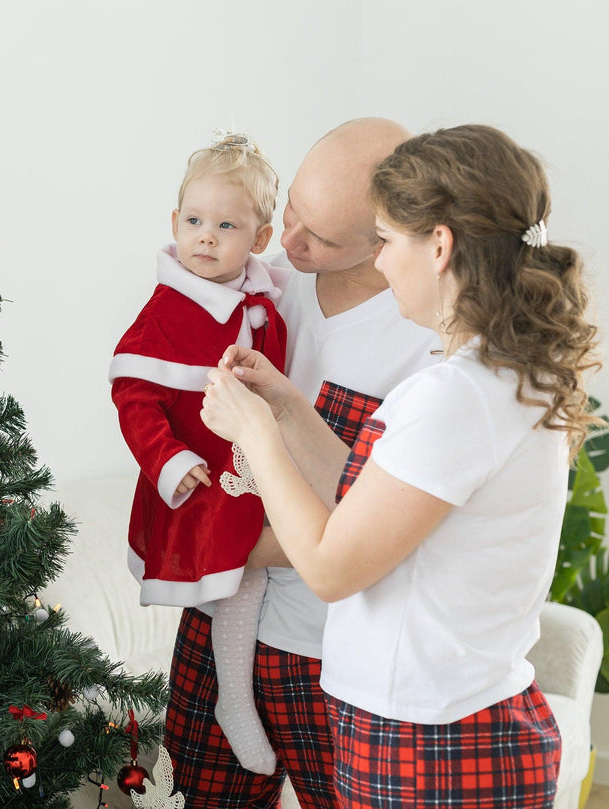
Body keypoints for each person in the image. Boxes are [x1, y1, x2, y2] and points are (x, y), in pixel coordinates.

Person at [201, 123, 597, 808]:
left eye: (385, 241)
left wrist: (256, 434)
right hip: (457, 724)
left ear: (438, 246)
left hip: (429, 741)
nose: (380, 266)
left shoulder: (454, 397)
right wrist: (288, 406)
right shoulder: (506, 376)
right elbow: (370, 498)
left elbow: (330, 568)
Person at [161, 118, 440, 809]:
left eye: (321, 237)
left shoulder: (425, 344)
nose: (288, 242)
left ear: (385, 238)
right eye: (290, 213)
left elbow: (382, 525)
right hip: (216, 620)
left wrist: (224, 543)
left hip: (325, 652)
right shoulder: (262, 288)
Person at [109, 132, 286, 774]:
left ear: (260, 238)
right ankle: (233, 700)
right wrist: (169, 461)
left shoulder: (264, 296)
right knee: (242, 576)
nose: (206, 238)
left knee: (255, 575)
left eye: (226, 226)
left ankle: (238, 693)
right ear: (174, 223)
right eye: (194, 222)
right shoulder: (168, 309)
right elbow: (134, 393)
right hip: (203, 479)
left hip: (255, 469)